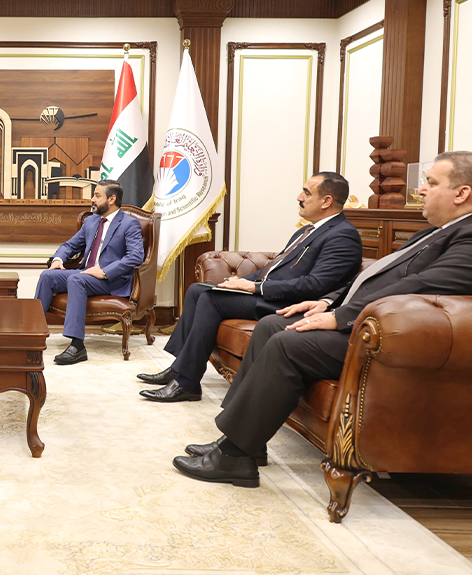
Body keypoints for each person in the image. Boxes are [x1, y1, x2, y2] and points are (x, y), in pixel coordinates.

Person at [173, 151, 472, 488]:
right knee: (271, 326)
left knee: (286, 345)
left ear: (461, 193)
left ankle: (234, 457)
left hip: (388, 339)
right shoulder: (435, 231)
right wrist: (327, 302)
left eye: (431, 183)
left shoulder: (468, 236)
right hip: (367, 323)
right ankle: (246, 442)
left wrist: (340, 317)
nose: (421, 190)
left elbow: (420, 288)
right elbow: (373, 279)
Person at [137, 172, 362, 403]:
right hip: (272, 294)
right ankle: (179, 368)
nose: (299, 197)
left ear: (326, 201)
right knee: (197, 290)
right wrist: (239, 283)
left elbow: (316, 285)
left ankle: (187, 383)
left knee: (212, 300)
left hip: (289, 303)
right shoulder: (307, 230)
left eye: (306, 193)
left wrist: (256, 288)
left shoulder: (342, 235)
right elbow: (274, 268)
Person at [34, 179, 144, 365]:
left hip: (110, 280)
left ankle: (77, 346)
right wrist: (58, 259)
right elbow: (70, 245)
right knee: (47, 276)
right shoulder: (91, 221)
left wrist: (105, 272)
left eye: (97, 195)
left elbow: (135, 257)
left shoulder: (129, 224)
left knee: (77, 279)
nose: (92, 199)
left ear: (112, 199)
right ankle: (34, 333)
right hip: (86, 274)